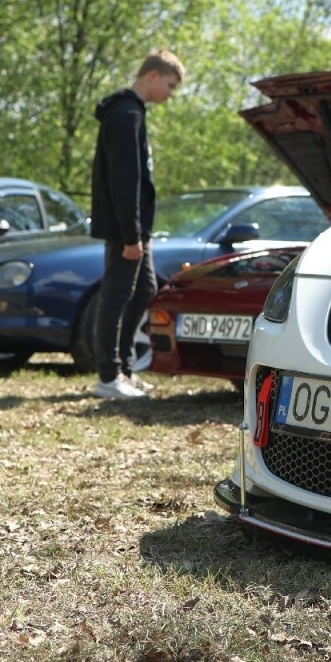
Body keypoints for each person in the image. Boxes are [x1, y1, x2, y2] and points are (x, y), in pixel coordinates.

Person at [88, 49, 184, 399]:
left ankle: (125, 370)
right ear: (153, 76)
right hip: (125, 228)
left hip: (138, 228)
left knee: (143, 291)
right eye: (170, 86)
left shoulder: (133, 113)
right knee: (116, 296)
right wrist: (131, 235)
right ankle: (108, 377)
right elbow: (125, 180)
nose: (170, 94)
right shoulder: (126, 113)